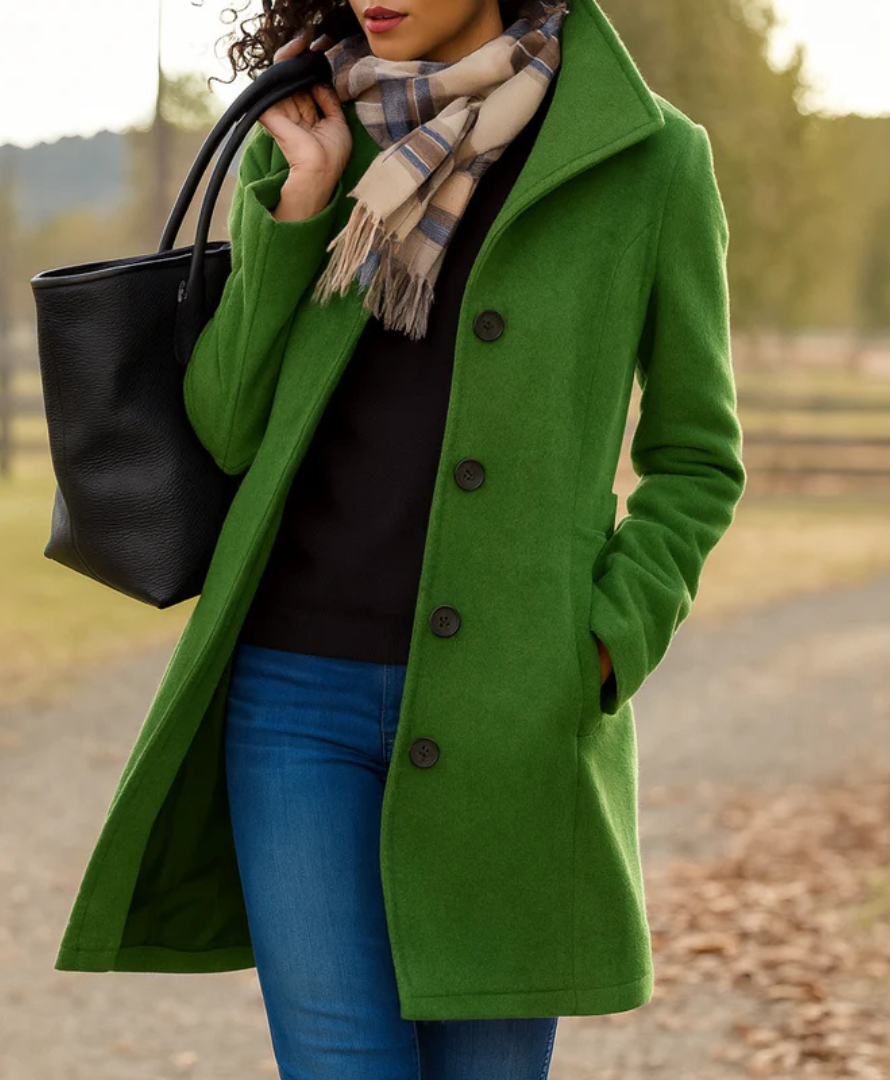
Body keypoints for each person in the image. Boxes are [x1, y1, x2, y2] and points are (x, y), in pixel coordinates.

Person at [50, 1, 746, 1076]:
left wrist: (604, 645)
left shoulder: (648, 159)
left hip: (513, 712)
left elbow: (697, 455)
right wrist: (303, 201)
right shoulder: (310, 137)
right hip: (294, 703)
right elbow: (225, 426)